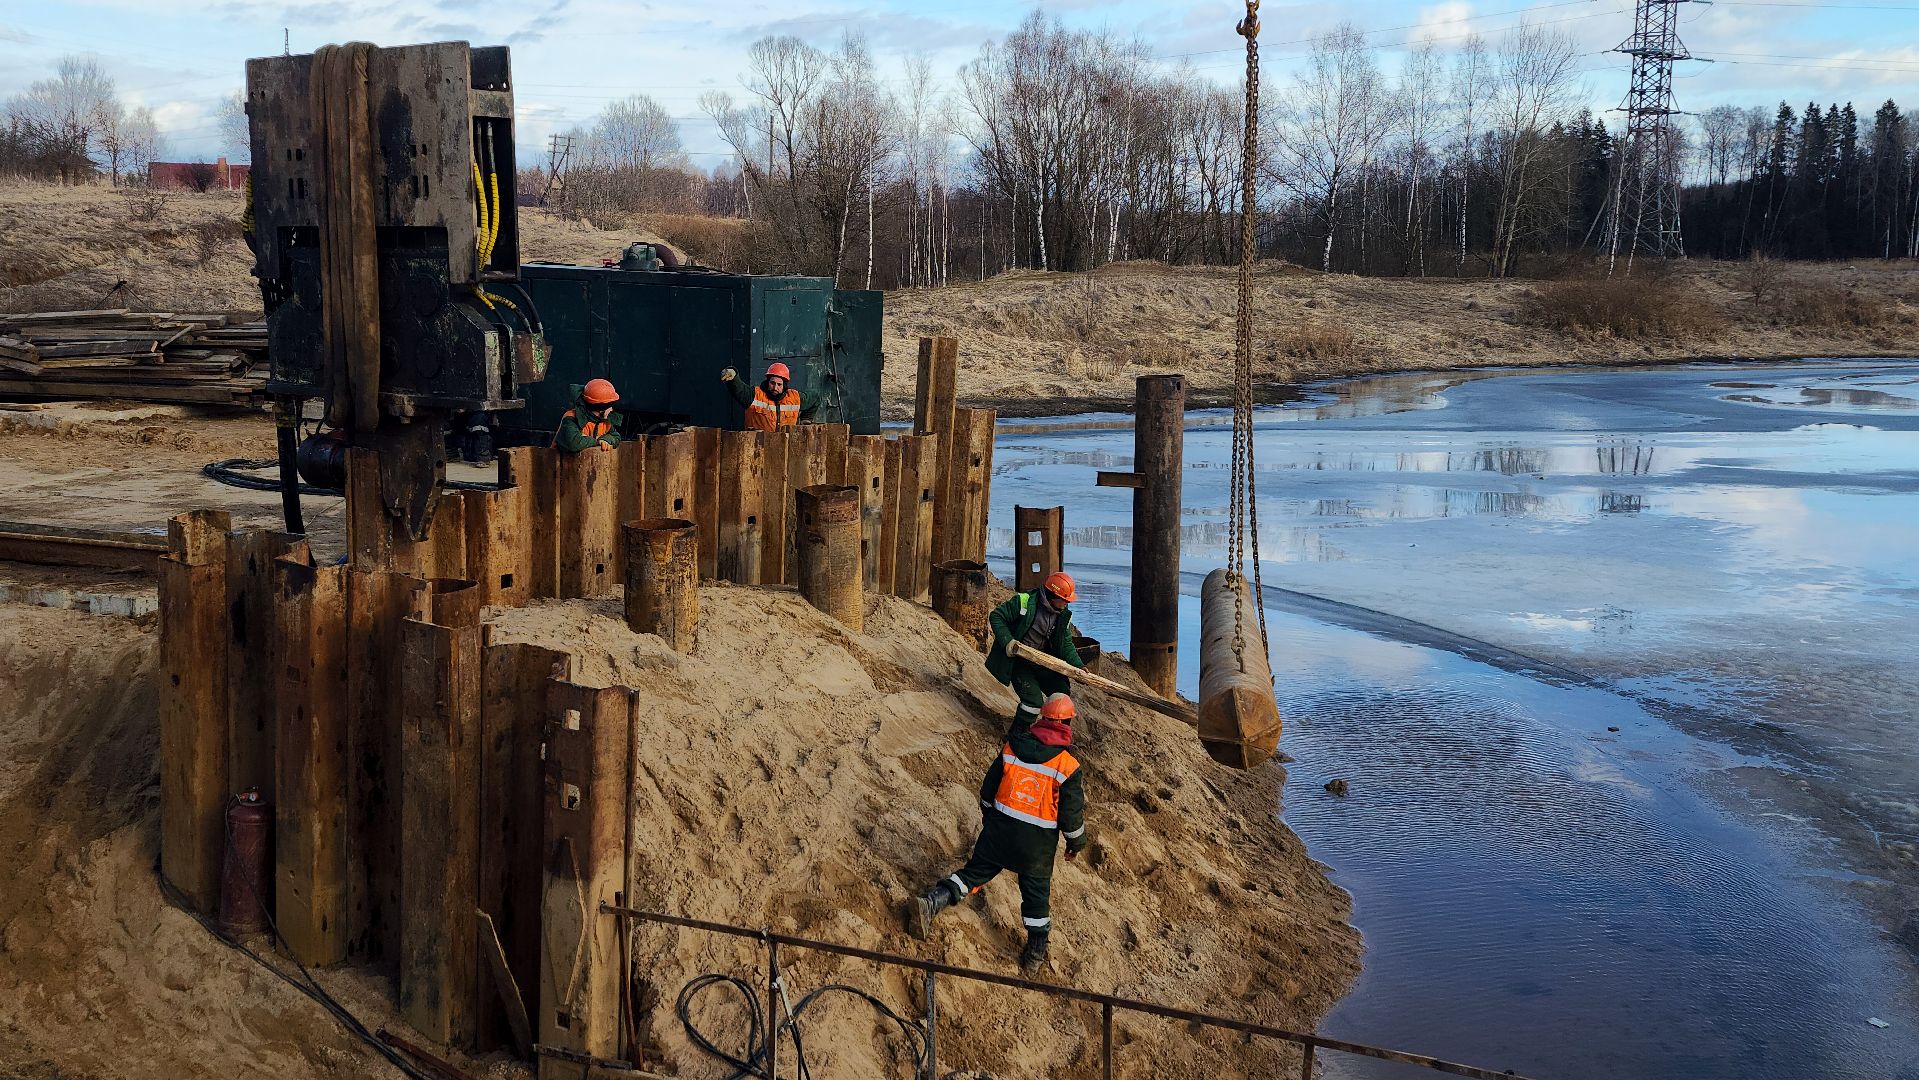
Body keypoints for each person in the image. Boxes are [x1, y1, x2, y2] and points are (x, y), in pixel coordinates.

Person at [909, 693, 1088, 974]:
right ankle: (1034, 957)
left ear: (1042, 718)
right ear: (1067, 723)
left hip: (999, 831)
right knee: (1036, 898)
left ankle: (933, 903)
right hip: (1036, 847)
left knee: (973, 874)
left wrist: (989, 815)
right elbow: (1071, 815)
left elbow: (987, 789)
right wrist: (1076, 843)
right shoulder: (1067, 766)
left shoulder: (1013, 746)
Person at [985, 571, 1084, 728]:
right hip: (1019, 663)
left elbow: (1065, 643)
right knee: (1033, 702)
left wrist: (1078, 666)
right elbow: (997, 616)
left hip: (1043, 663)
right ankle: (1018, 736)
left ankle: (1051, 734)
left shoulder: (1062, 615)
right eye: (1064, 600)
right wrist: (1008, 642)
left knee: (1062, 695)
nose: (1067, 604)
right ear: (1053, 595)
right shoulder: (1024, 602)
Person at [721, 362, 820, 430]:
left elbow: (815, 398)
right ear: (768, 382)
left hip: (786, 450)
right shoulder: (755, 395)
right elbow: (739, 389)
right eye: (772, 383)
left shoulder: (795, 398)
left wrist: (806, 419)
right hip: (758, 449)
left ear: (784, 386)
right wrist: (733, 375)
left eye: (779, 384)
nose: (775, 387)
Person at [553, 379, 622, 452]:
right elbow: (573, 443)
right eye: (608, 407)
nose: (610, 411)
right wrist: (597, 441)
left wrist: (606, 439)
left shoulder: (606, 421)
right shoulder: (572, 418)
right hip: (561, 461)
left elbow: (616, 436)